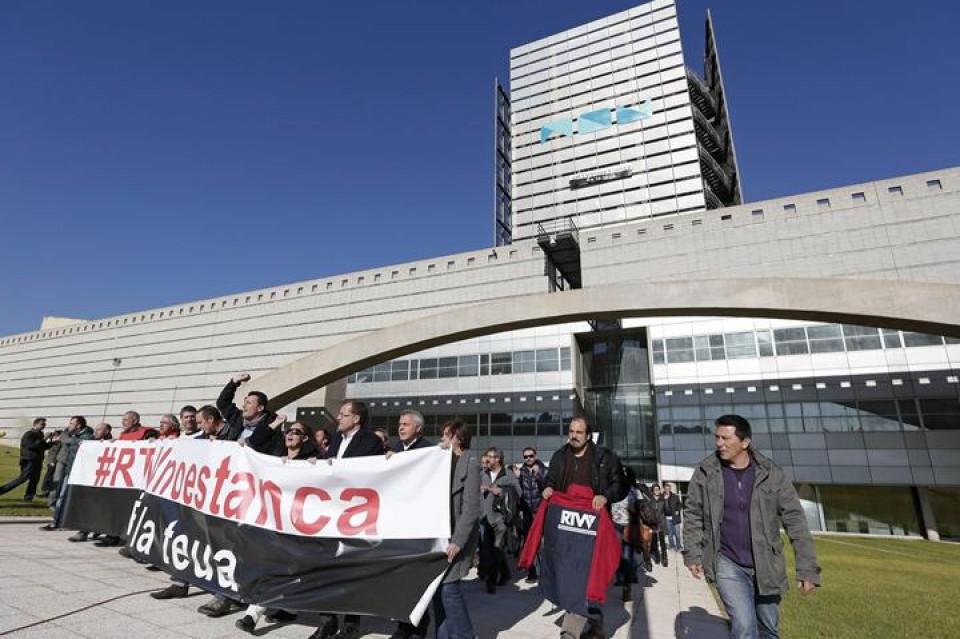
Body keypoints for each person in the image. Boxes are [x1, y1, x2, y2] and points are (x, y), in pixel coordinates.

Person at [683, 414, 821, 639]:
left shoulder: (772, 474)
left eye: (726, 438)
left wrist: (807, 569)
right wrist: (693, 553)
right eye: (717, 437)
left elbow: (795, 521)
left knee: (768, 629)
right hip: (727, 562)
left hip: (766, 564)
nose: (719, 443)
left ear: (745, 442)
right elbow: (692, 514)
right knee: (744, 628)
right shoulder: (706, 471)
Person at [538, 416, 627, 639]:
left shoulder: (605, 458)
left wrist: (605, 496)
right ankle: (594, 622)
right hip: (565, 527)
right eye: (571, 431)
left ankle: (570, 631)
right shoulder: (559, 456)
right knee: (571, 575)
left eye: (579, 432)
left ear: (588, 436)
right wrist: (548, 488)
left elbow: (621, 485)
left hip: (593, 527)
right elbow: (551, 480)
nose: (574, 436)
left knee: (586, 575)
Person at [307, 400, 383, 639]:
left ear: (356, 419)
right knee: (327, 569)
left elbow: (370, 475)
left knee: (352, 570)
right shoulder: (336, 440)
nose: (338, 418)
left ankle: (351, 625)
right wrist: (317, 465)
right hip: (330, 516)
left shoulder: (371, 442)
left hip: (355, 516)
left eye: (343, 414)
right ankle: (327, 621)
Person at [235, 416, 312, 633]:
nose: (290, 434)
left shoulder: (313, 461)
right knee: (271, 566)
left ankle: (285, 607)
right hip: (273, 522)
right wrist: (275, 424)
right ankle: (253, 613)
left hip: (296, 525)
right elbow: (257, 441)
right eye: (288, 431)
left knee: (289, 569)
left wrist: (317, 466)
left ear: (305, 438)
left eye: (296, 432)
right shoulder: (274, 456)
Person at [430, 421, 481, 639]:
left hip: (456, 537)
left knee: (450, 589)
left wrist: (458, 541)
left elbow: (471, 507)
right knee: (437, 592)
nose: (441, 440)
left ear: (458, 439)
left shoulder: (470, 462)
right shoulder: (439, 460)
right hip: (437, 537)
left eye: (445, 436)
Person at [479, 446, 521, 594]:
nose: (487, 459)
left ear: (498, 459)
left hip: (500, 520)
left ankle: (491, 581)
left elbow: (518, 493)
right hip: (485, 518)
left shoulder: (508, 474)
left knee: (495, 551)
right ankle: (505, 574)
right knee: (490, 550)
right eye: (487, 457)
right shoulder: (483, 474)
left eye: (491, 456)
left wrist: (501, 491)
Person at [0, 418, 52, 502]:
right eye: (42, 424)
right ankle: (1, 490)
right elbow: (32, 446)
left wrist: (53, 442)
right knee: (22, 478)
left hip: (38, 461)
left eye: (44, 424)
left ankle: (28, 498)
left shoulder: (40, 434)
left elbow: (43, 446)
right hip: (29, 461)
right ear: (35, 424)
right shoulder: (29, 434)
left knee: (35, 480)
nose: (44, 426)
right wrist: (44, 438)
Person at [217, 372, 275, 442]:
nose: (244, 406)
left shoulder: (271, 425)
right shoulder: (238, 419)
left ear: (260, 408)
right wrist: (234, 382)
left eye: (248, 403)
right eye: (245, 402)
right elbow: (222, 403)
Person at [517, 446, 547, 582]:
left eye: (531, 456)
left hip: (540, 511)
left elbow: (547, 488)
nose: (528, 458)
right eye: (525, 456)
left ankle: (543, 572)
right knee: (529, 543)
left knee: (542, 544)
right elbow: (518, 492)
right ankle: (532, 572)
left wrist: (539, 475)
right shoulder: (521, 471)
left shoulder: (543, 469)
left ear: (535, 456)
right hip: (527, 512)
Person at [650, 484, 668, 567]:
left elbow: (667, 511)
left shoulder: (663, 499)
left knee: (662, 542)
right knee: (654, 542)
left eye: (658, 489)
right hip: (653, 524)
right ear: (653, 491)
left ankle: (664, 559)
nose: (657, 491)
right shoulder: (650, 500)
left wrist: (666, 501)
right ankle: (657, 557)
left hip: (661, 523)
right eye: (655, 489)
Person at [662, 481, 682, 551]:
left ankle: (678, 546)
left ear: (670, 489)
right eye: (666, 488)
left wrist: (677, 510)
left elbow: (679, 505)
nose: (667, 490)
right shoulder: (662, 497)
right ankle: (672, 545)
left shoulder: (675, 496)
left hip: (675, 518)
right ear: (664, 489)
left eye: (668, 488)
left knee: (677, 533)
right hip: (667, 518)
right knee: (670, 534)